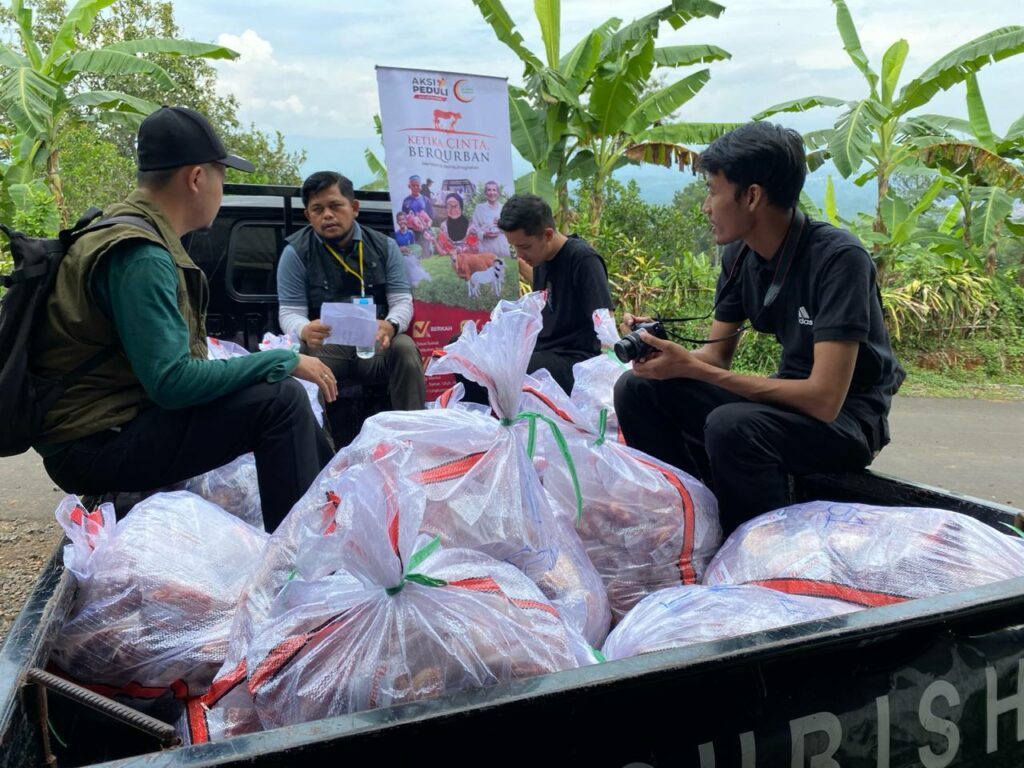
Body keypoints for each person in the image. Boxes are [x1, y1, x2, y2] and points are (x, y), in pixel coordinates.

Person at [29, 106, 336, 532]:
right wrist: (279, 360)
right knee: (280, 401)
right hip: (92, 447)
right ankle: (300, 562)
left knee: (275, 395)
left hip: (105, 429)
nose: (222, 188)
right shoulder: (140, 255)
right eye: (222, 176)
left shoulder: (128, 231)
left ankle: (328, 520)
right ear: (196, 178)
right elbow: (172, 384)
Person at [613, 122, 904, 535]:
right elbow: (714, 356)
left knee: (732, 425)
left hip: (846, 419)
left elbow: (824, 399)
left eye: (713, 191)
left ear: (751, 196)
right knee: (637, 388)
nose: (705, 206)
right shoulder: (740, 255)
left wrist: (696, 370)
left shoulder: (839, 259)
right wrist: (665, 355)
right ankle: (678, 523)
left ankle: (756, 554)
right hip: (786, 405)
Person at [276, 171, 426, 411]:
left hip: (375, 346)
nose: (327, 215)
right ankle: (319, 445)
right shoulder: (295, 253)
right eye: (317, 209)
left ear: (354, 207)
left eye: (335, 206)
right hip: (326, 349)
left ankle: (412, 435)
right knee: (297, 358)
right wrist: (303, 329)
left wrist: (391, 325)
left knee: (405, 347)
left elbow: (402, 301)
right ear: (308, 215)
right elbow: (289, 313)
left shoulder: (384, 246)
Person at [500, 194, 613, 394]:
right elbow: (552, 291)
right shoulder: (541, 258)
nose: (520, 254)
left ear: (548, 234)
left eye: (524, 246)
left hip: (576, 359)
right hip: (545, 351)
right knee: (468, 352)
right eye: (515, 247)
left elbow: (605, 320)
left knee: (510, 369)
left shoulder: (582, 259)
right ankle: (479, 420)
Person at [470, 181, 510, 258]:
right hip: (486, 248)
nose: (492, 193)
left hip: (502, 248)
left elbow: (511, 227)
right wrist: (484, 234)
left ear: (498, 193)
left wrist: (501, 223)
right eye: (489, 190)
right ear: (485, 193)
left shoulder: (504, 208)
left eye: (494, 190)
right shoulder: (479, 208)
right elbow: (473, 228)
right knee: (486, 268)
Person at [401, 174, 435, 256]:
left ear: (421, 187)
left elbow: (431, 217)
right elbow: (404, 219)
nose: (416, 187)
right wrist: (412, 224)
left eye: (417, 185)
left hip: (424, 234)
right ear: (409, 186)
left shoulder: (425, 200)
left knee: (425, 255)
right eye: (413, 185)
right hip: (412, 234)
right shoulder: (406, 201)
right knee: (413, 255)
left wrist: (426, 226)